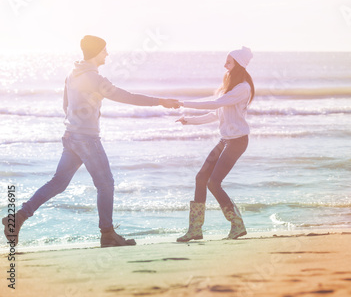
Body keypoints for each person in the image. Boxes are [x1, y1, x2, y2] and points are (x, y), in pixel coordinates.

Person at [2, 35, 179, 248]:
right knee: (106, 184)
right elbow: (127, 96)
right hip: (86, 139)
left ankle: (19, 217)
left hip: (71, 136)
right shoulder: (94, 79)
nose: (107, 54)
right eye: (105, 50)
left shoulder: (72, 73)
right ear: (97, 52)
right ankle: (108, 234)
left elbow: (65, 106)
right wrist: (160, 101)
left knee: (58, 183)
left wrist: (78, 121)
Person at [176, 46, 255, 242]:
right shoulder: (229, 87)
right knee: (201, 178)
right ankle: (195, 229)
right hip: (225, 140)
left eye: (228, 62)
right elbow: (215, 113)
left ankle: (237, 224)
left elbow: (214, 104)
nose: (224, 65)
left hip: (237, 142)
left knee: (213, 182)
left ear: (238, 64)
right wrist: (189, 120)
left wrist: (183, 103)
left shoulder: (242, 88)